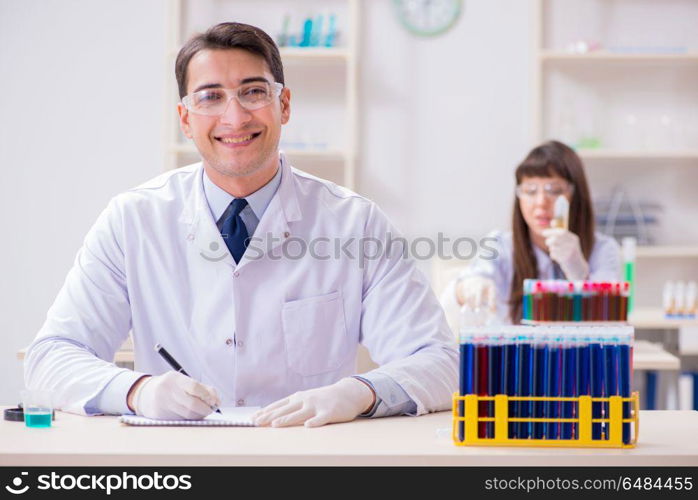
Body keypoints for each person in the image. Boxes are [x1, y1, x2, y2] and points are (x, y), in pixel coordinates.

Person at [24, 22, 457, 428]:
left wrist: (358, 393)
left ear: (283, 106)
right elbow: (51, 358)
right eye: (210, 97)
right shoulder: (132, 220)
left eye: (253, 92)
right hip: (178, 463)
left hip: (308, 458)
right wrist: (139, 390)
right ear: (186, 119)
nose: (235, 118)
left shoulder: (354, 223)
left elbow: (442, 363)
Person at [441, 140, 621, 327]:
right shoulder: (500, 246)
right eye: (530, 190)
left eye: (554, 190)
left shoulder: (603, 250)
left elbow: (610, 326)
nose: (541, 202)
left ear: (576, 196)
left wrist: (580, 275)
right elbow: (449, 308)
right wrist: (467, 288)